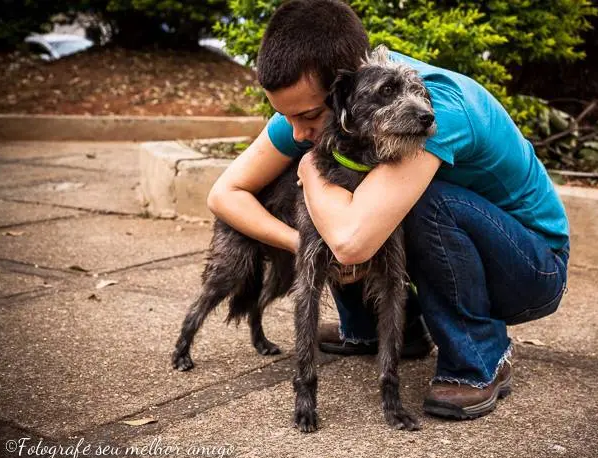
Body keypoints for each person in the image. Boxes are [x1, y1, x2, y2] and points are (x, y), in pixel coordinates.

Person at [207, 0, 570, 420]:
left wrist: (308, 165)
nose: (298, 132)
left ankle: (479, 358)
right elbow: (226, 193)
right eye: (285, 116)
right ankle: (374, 331)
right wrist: (299, 243)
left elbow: (351, 241)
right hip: (467, 257)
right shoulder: (317, 103)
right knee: (339, 182)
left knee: (406, 203)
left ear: (342, 88)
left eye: (307, 115)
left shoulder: (426, 109)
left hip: (531, 271)